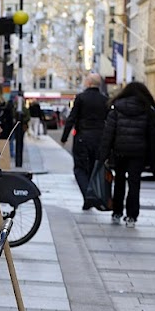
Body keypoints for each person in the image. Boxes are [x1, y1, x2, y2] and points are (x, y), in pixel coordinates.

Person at [98, 80, 155, 227]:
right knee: (134, 183)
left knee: (119, 181)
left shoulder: (117, 108)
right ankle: (131, 216)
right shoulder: (147, 110)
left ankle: (117, 212)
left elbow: (109, 133)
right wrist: (153, 158)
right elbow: (152, 136)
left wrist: (103, 155)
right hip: (139, 152)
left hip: (120, 151)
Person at [61, 73, 110, 210]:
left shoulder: (81, 98)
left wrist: (65, 137)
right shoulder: (104, 99)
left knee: (80, 168)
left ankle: (88, 195)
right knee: (93, 168)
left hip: (83, 137)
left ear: (88, 83)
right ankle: (89, 197)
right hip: (99, 138)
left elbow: (72, 118)